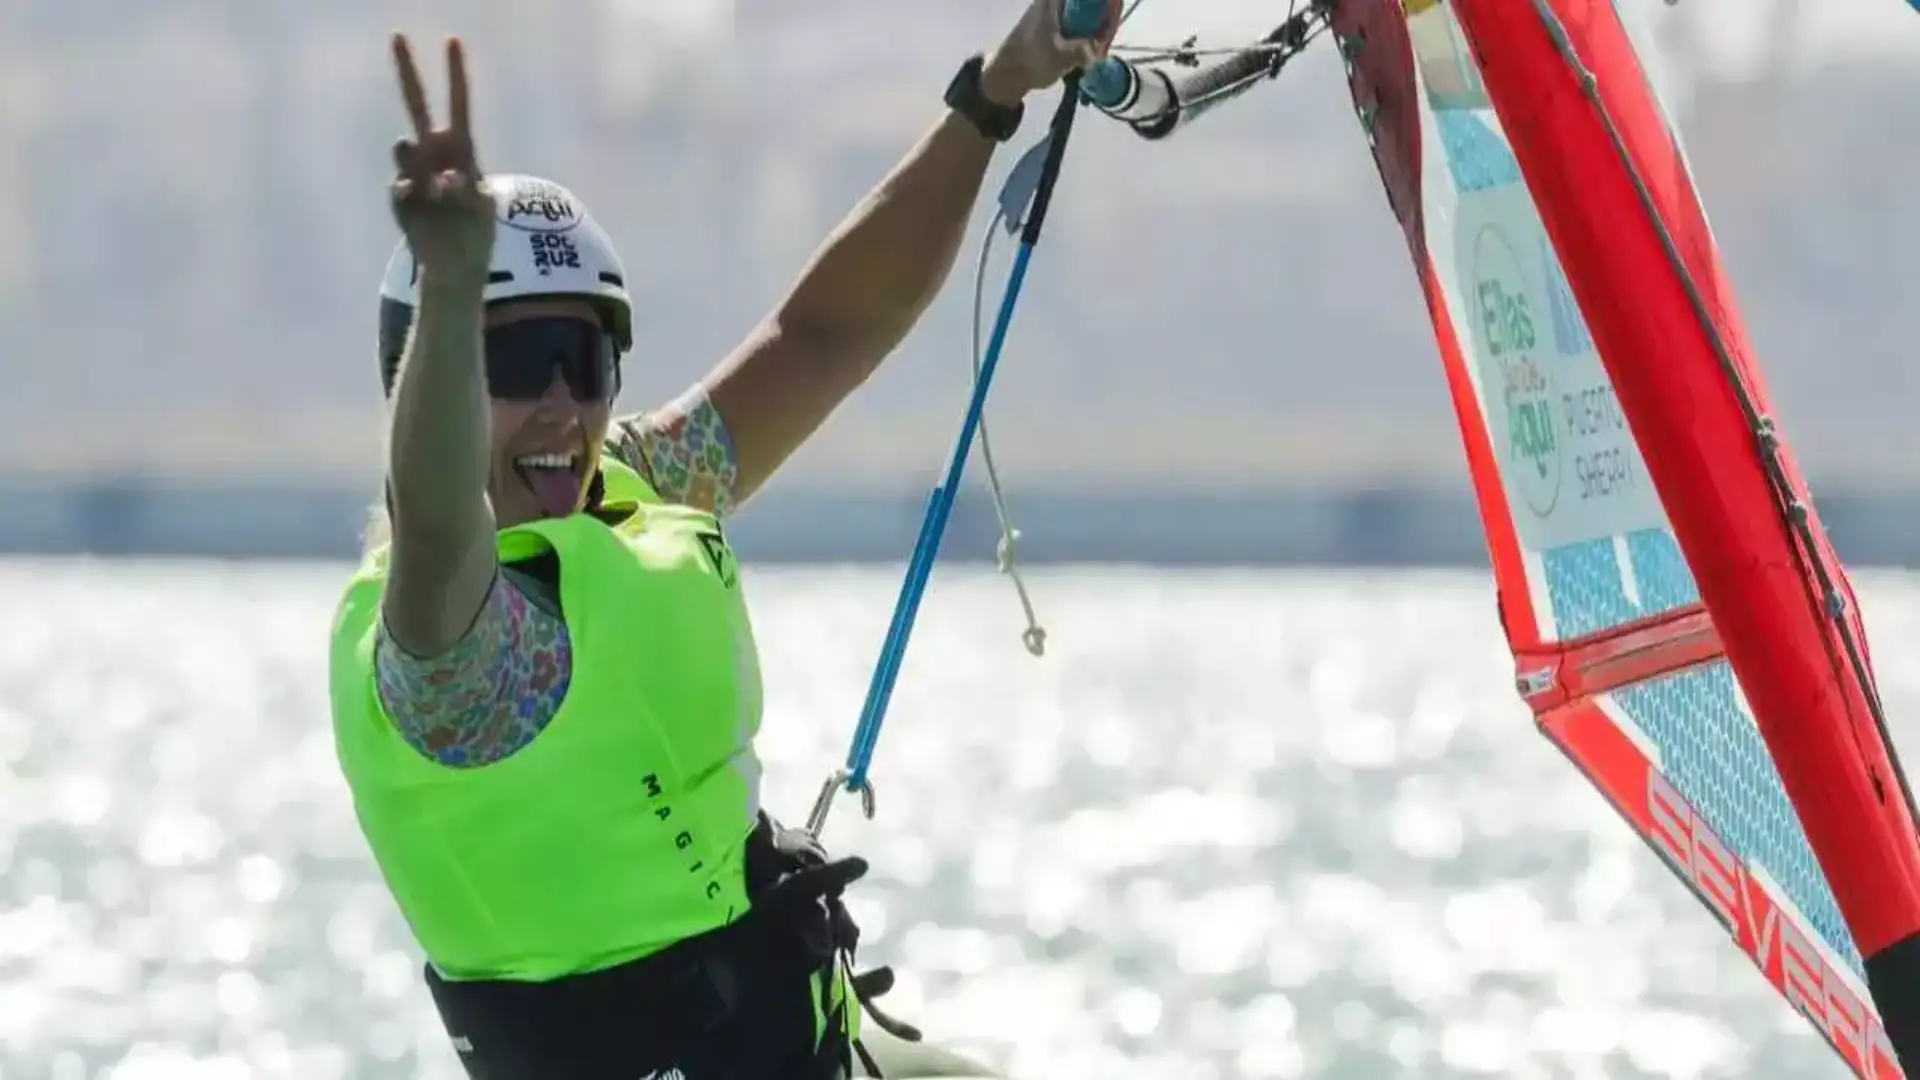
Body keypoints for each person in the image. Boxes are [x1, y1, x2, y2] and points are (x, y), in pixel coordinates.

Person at [326, 2, 1118, 1077]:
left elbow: (823, 333)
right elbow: (431, 519)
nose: (561, 404)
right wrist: (453, 280)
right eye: (515, 364)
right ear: (422, 378)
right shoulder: (448, 662)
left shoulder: (633, 480)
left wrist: (994, 93)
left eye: (584, 357)